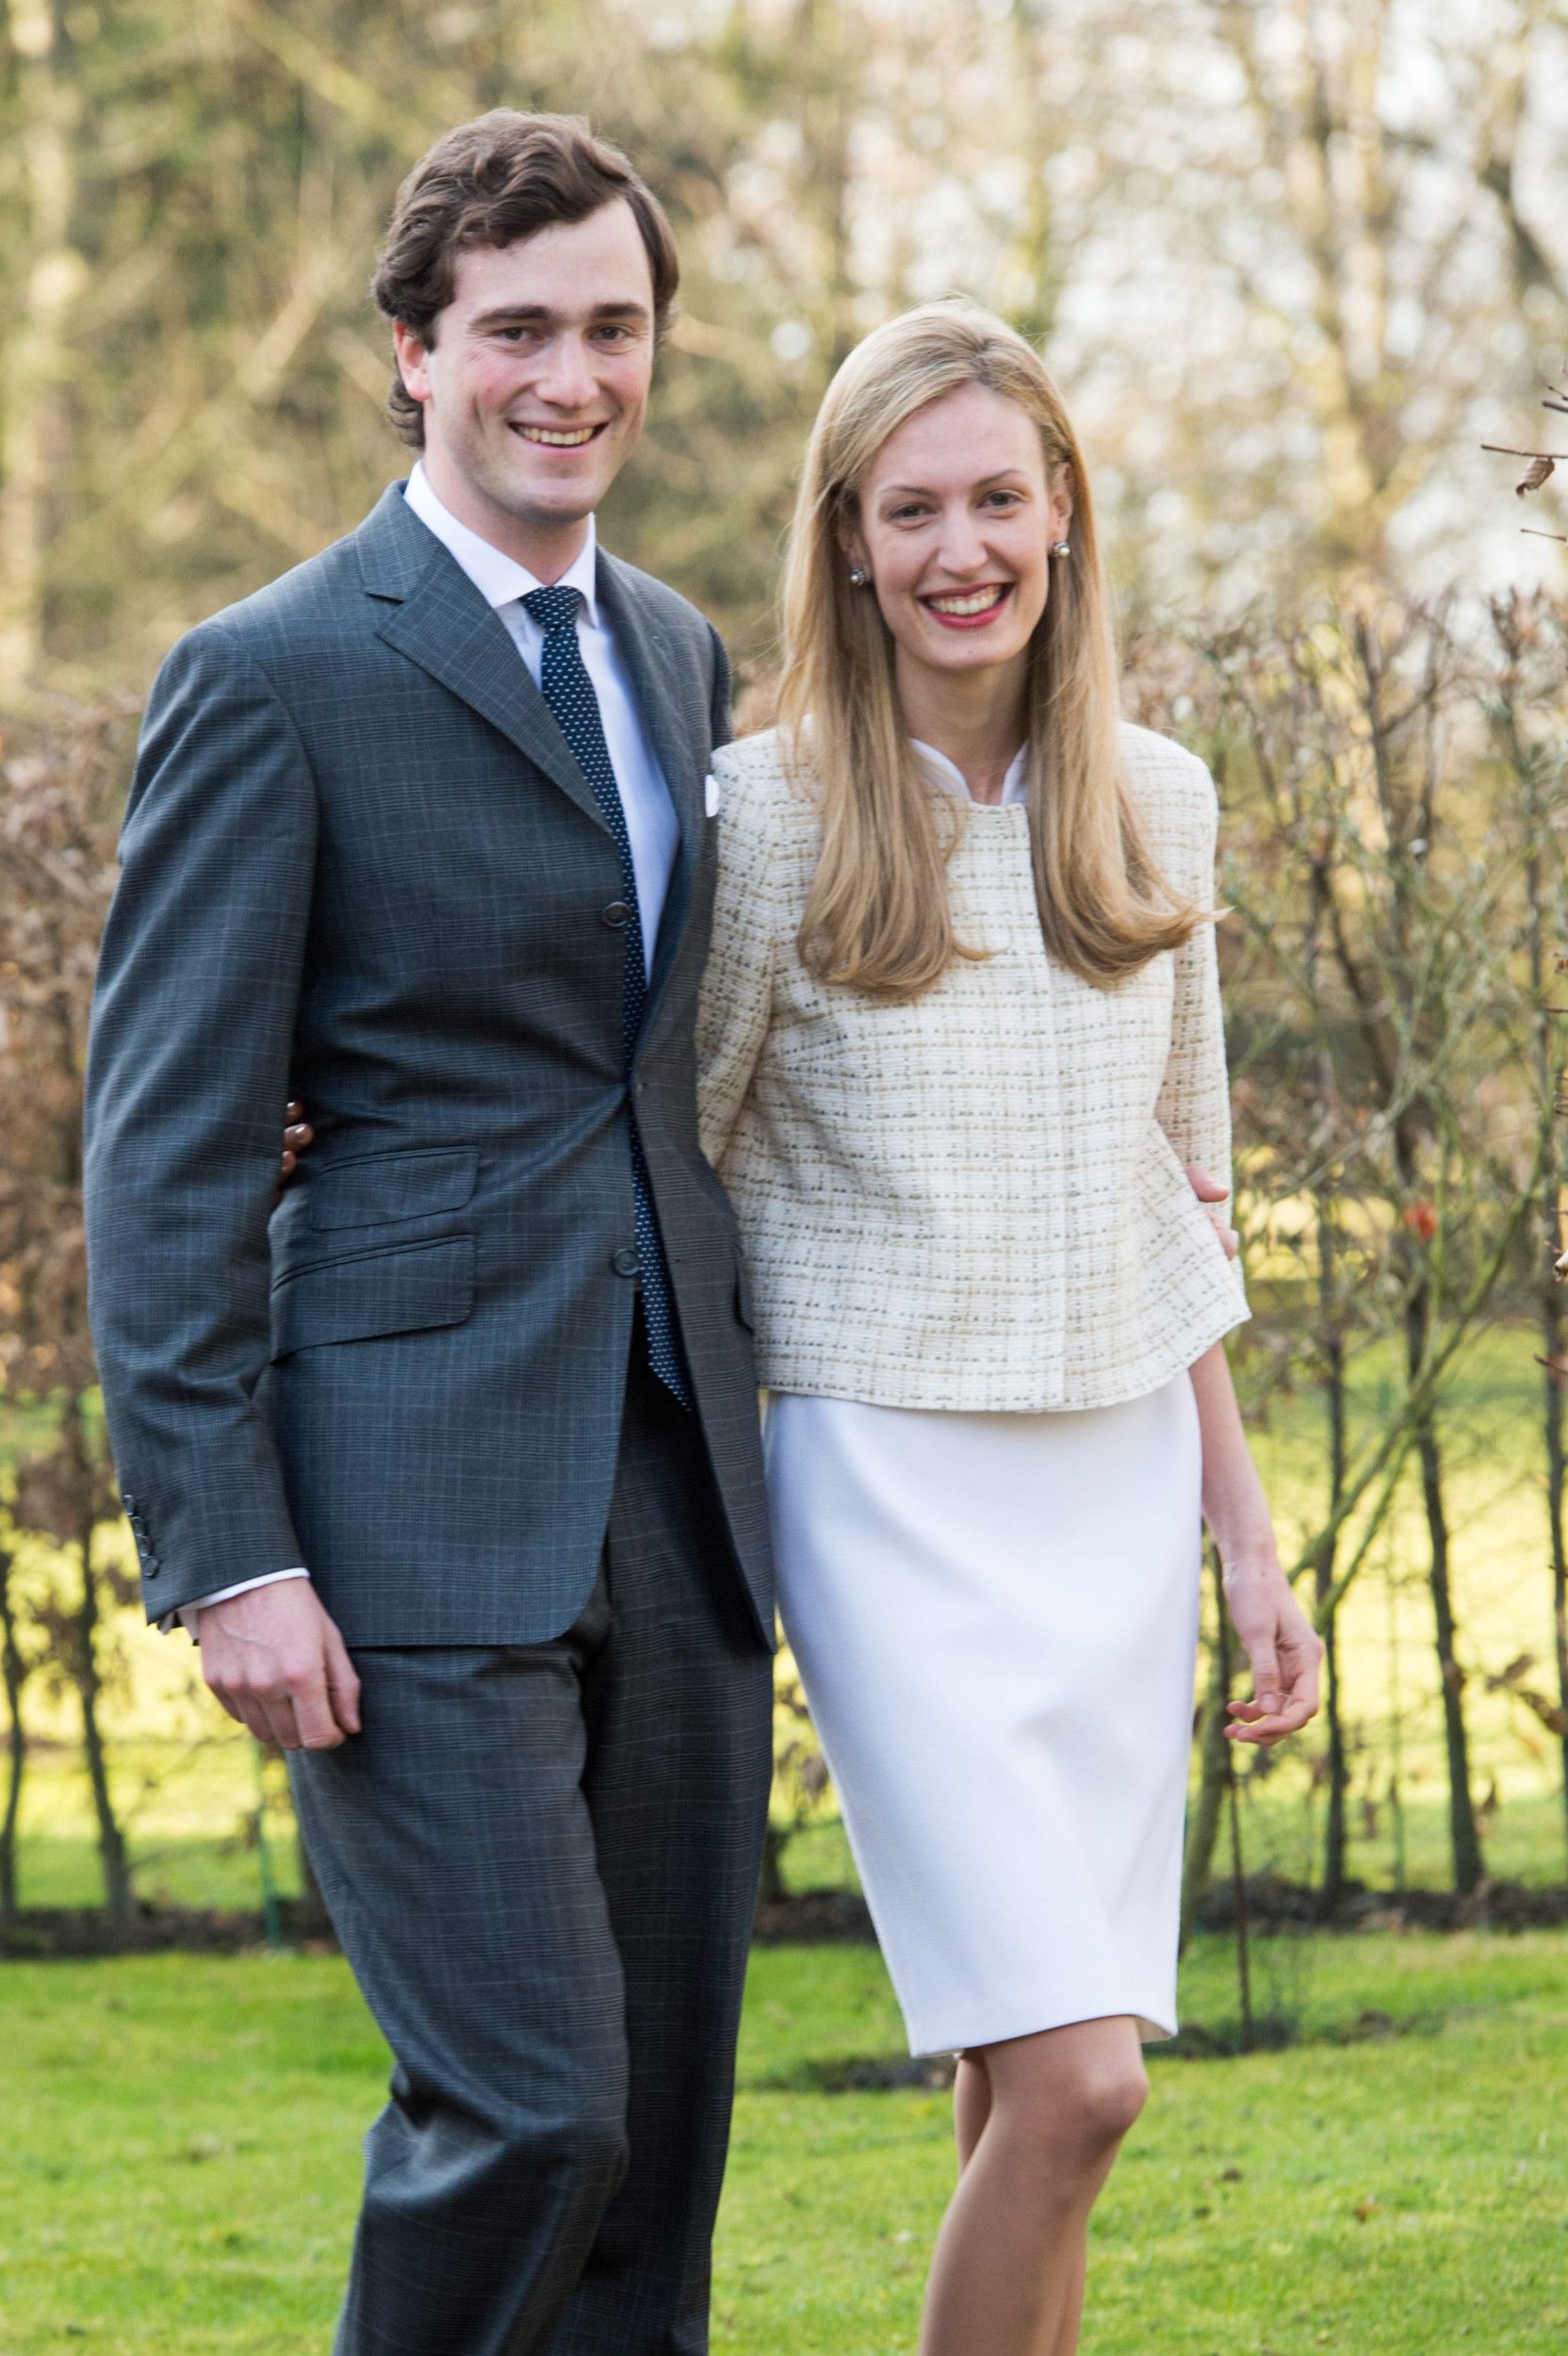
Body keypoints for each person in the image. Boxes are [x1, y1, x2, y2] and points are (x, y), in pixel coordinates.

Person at [83, 112, 776, 2356]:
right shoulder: (272, 670)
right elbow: (168, 1147)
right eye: (514, 331)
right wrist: (227, 1547)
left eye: (610, 326)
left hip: (673, 1489)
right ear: (413, 353)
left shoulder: (678, 654)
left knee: (657, 2147)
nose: (568, 375)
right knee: (526, 2105)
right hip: (396, 1511)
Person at [693, 301, 1323, 2356]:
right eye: (910, 510)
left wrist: (1243, 1535)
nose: (960, 545)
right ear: (846, 542)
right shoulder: (763, 817)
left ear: (1059, 509)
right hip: (885, 1485)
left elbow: (1178, 1188)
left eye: (995, 495)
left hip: (1118, 1488)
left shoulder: (1158, 798)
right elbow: (661, 1154)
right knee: (1081, 2080)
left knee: (1013, 2082)